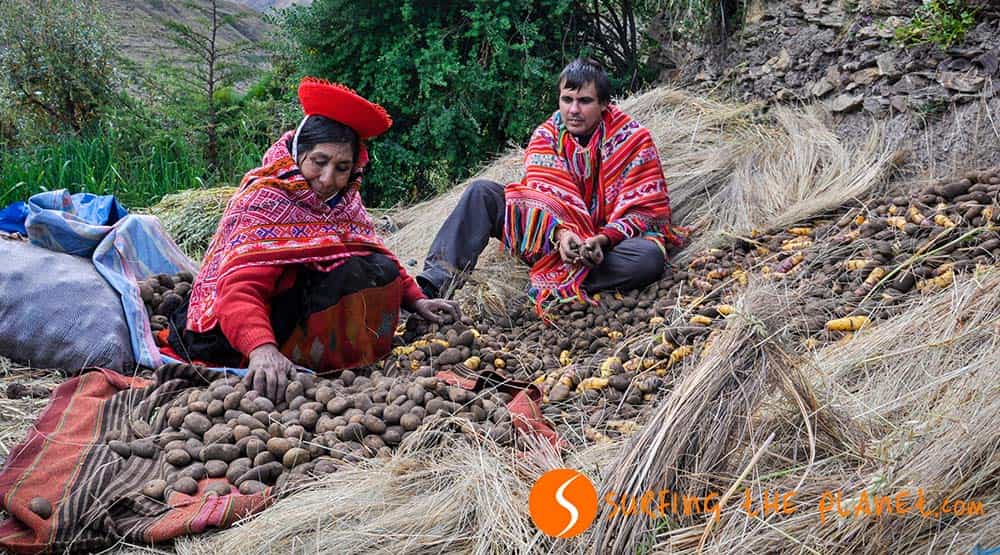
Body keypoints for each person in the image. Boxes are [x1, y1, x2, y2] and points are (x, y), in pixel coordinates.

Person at [164, 77, 460, 399]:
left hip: (298, 311)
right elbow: (239, 289)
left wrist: (417, 300)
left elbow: (375, 251)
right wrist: (261, 349)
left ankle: (339, 360)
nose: (327, 179)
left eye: (342, 167)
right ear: (298, 154)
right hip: (240, 325)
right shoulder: (264, 200)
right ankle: (298, 354)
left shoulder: (344, 203)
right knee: (348, 273)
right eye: (319, 162)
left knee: (375, 267)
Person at [417, 58, 682, 311]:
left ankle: (554, 281)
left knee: (648, 257)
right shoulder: (546, 136)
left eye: (584, 101)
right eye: (567, 100)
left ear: (603, 103)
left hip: (605, 247)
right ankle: (431, 288)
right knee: (481, 192)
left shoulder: (634, 140)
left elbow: (645, 212)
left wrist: (602, 239)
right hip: (549, 239)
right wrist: (561, 235)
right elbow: (539, 199)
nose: (573, 110)